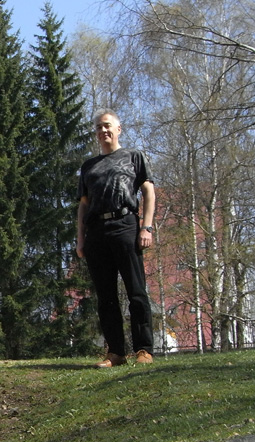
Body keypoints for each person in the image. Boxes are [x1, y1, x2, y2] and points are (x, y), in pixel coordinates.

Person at [76, 109, 155, 368]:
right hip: (97, 232)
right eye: (99, 128)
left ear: (118, 129)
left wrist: (147, 227)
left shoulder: (134, 157)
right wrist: (80, 240)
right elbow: (83, 206)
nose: (103, 131)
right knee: (106, 296)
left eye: (107, 126)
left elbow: (148, 191)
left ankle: (144, 349)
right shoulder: (89, 167)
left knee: (136, 291)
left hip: (126, 225)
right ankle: (116, 353)